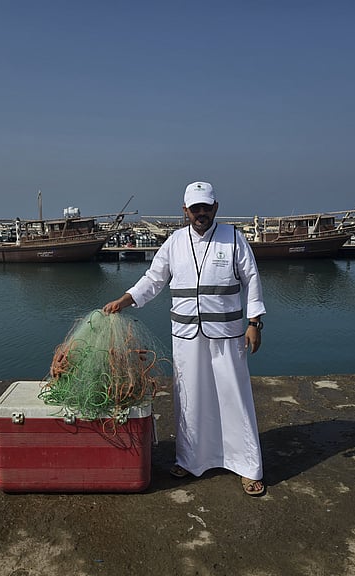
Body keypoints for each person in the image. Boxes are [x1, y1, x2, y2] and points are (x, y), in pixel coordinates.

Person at [103, 181, 266, 496]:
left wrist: (254, 322)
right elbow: (154, 279)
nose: (201, 213)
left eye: (206, 207)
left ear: (215, 207)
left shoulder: (234, 238)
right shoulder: (174, 243)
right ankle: (191, 460)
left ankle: (247, 466)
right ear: (185, 211)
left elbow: (252, 278)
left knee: (234, 397)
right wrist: (126, 300)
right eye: (195, 208)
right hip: (186, 335)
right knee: (190, 398)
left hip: (227, 334)